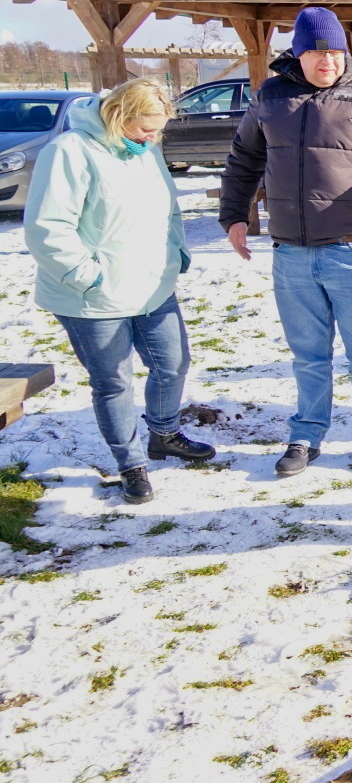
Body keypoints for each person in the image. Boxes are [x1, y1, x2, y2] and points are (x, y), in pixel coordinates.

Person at [220, 6, 352, 477]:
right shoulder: (270, 97)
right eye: (318, 53)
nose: (328, 61)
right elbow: (243, 160)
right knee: (308, 356)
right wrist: (234, 215)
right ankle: (306, 434)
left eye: (336, 52)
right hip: (291, 252)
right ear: (298, 55)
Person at [24, 78, 216, 504]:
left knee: (172, 364)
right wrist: (86, 275)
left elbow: (168, 208)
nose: (152, 138)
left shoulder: (145, 151)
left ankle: (164, 434)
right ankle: (131, 465)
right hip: (93, 295)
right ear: (118, 116)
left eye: (158, 131)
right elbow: (46, 227)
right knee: (113, 381)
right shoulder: (69, 152)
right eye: (146, 129)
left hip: (152, 284)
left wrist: (177, 250)